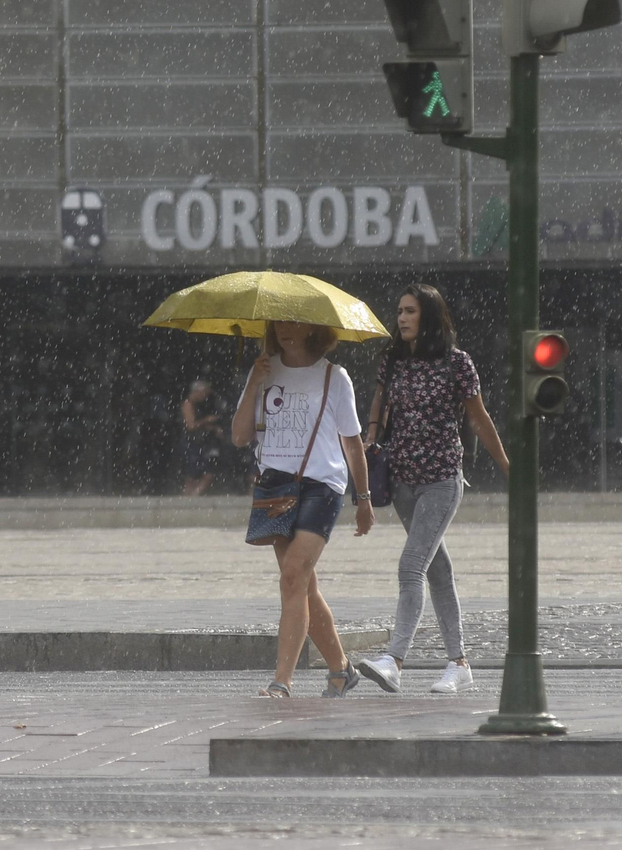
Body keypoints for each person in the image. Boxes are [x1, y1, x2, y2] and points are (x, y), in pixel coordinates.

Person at [355, 283, 509, 695]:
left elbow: (479, 418)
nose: (402, 318)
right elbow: (379, 400)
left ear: (428, 316)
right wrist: (372, 433)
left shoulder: (457, 363)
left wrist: (508, 465)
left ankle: (394, 660)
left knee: (411, 567)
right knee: (438, 570)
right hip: (403, 482)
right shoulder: (393, 361)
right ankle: (459, 663)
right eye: (400, 311)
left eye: (410, 311)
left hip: (442, 479)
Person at [231, 320, 373, 698]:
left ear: (313, 327)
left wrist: (364, 498)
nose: (284, 330)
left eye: (294, 322)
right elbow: (239, 435)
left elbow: (353, 442)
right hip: (275, 485)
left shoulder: (334, 377)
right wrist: (254, 383)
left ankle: (282, 681)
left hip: (322, 485)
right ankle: (342, 669)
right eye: (278, 322)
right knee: (303, 586)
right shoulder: (262, 369)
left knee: (293, 576)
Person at [180, 379, 225, 496]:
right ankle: (188, 498)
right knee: (191, 476)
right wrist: (207, 420)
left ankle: (194, 496)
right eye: (204, 393)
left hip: (202, 443)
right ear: (197, 392)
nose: (205, 396)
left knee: (208, 473)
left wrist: (214, 428)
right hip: (192, 443)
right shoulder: (188, 404)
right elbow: (191, 426)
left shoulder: (200, 405)